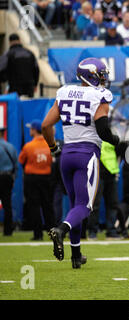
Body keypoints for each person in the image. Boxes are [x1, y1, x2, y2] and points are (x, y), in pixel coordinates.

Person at [41, 57, 120, 269]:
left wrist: (53, 148)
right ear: (91, 76)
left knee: (76, 205)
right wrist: (118, 142)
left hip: (66, 155)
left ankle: (76, 256)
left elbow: (46, 125)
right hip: (87, 155)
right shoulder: (99, 95)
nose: (103, 79)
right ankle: (61, 230)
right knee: (84, 207)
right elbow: (103, 130)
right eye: (100, 75)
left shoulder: (64, 91)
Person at [18, 120, 55, 241]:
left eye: (31, 129)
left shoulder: (29, 146)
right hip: (46, 178)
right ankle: (52, 233)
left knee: (34, 206)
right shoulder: (49, 144)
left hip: (32, 178)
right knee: (48, 206)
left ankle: (37, 234)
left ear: (34, 130)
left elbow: (21, 160)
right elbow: (52, 161)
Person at [88, 140, 122, 239]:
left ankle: (111, 231)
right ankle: (92, 231)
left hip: (111, 173)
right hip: (97, 174)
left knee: (113, 203)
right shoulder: (92, 135)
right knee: (95, 204)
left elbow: (118, 150)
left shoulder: (111, 135)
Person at [0, 125, 18, 236]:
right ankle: (8, 230)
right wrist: (13, 177)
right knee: (7, 204)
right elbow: (15, 165)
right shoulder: (10, 147)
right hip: (7, 177)